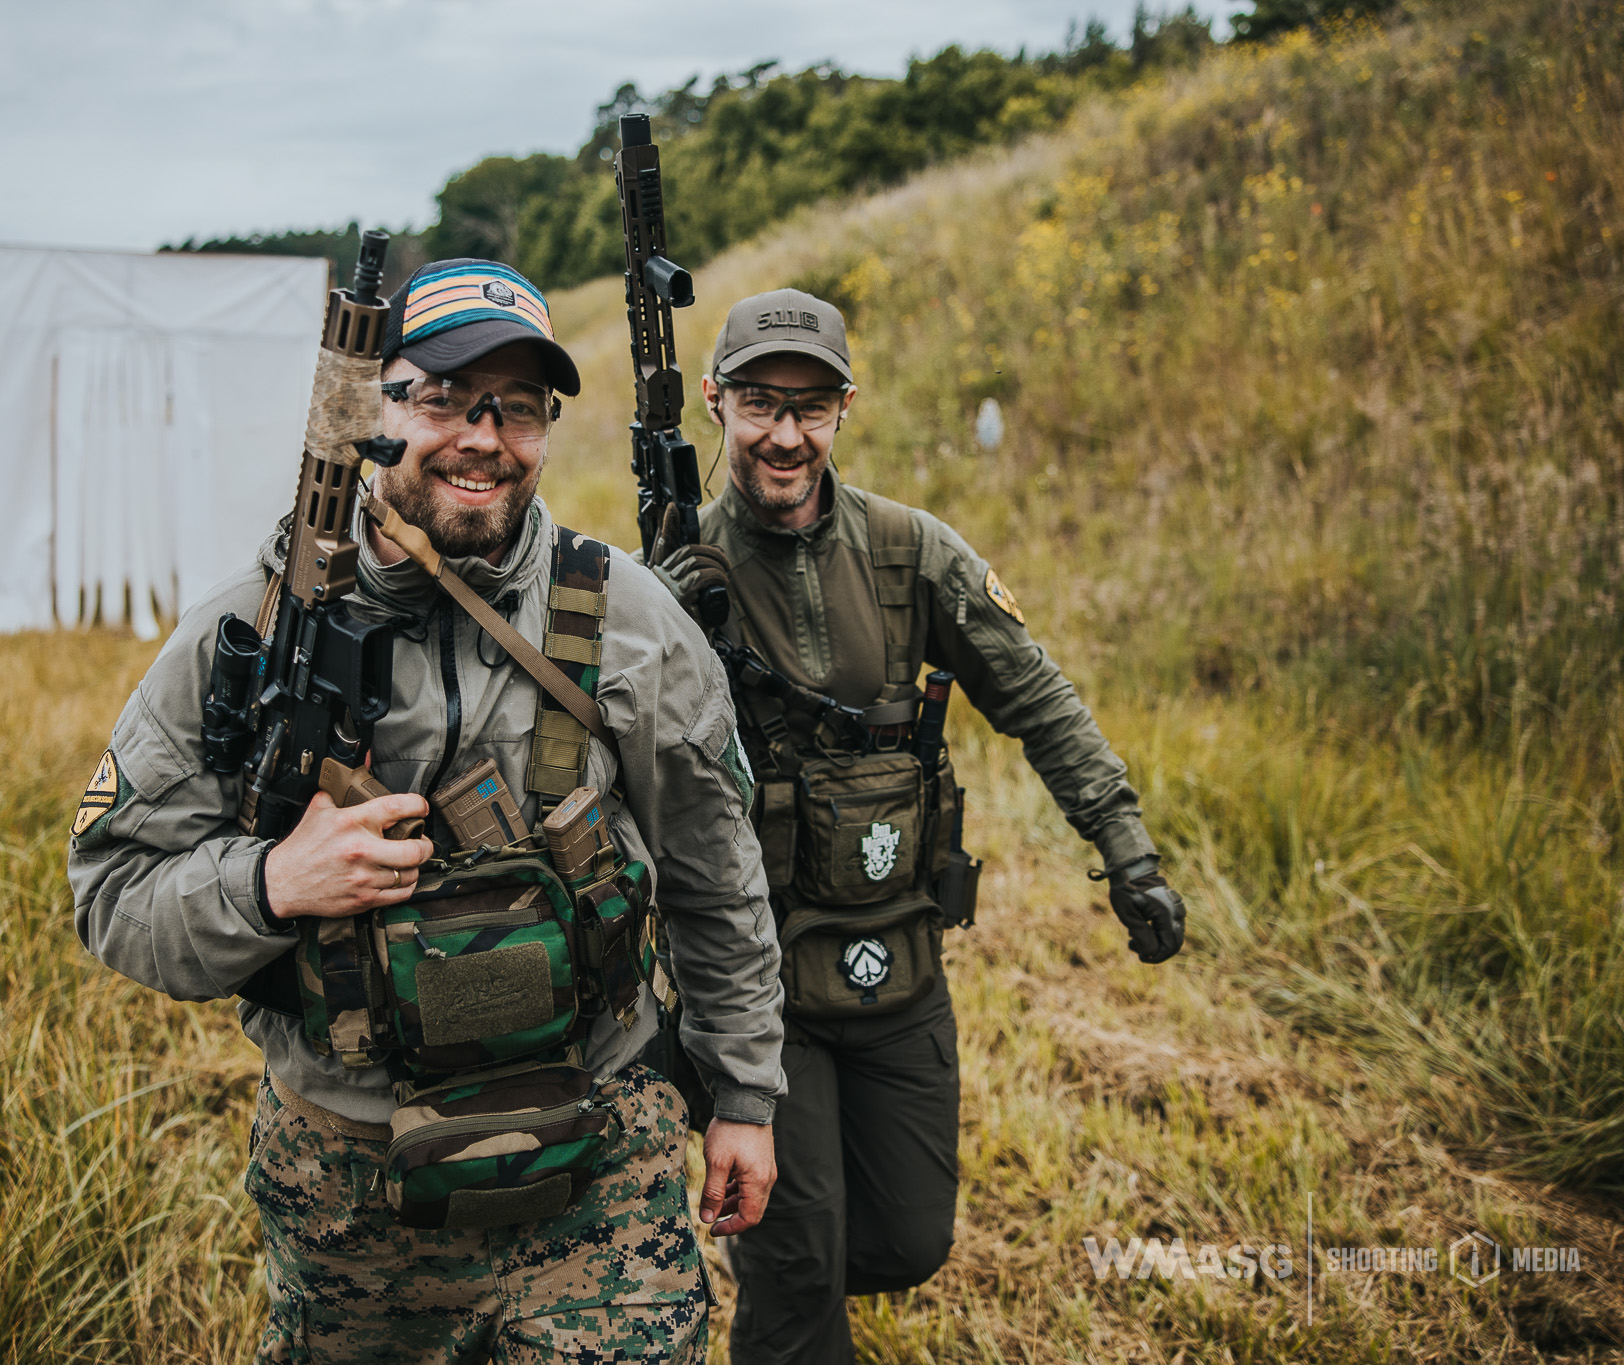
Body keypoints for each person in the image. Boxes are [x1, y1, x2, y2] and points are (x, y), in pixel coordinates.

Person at [67, 258, 783, 1364]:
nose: (481, 438)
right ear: (372, 411)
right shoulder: (246, 634)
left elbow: (714, 871)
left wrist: (742, 1092)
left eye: (518, 408)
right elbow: (111, 894)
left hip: (600, 1154)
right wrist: (270, 885)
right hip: (352, 1184)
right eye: (441, 397)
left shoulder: (627, 616)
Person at [657, 288, 1186, 1364]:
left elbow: (1038, 701)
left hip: (896, 965)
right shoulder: (669, 579)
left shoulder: (912, 554)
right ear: (714, 403)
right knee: (798, 1269)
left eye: (809, 406)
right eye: (759, 402)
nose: (784, 435)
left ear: (845, 407)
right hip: (757, 989)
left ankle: (795, 1263)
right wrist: (662, 637)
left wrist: (1122, 845)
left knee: (902, 1242)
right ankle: (785, 1288)